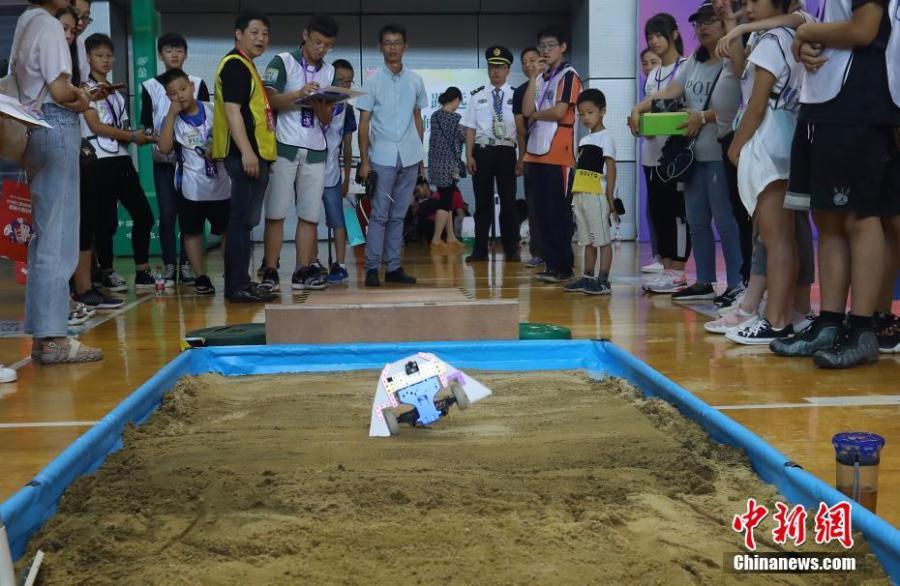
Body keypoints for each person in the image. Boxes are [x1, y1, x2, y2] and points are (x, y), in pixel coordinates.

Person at [770, 0, 900, 367]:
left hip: (858, 103)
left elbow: (864, 29)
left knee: (860, 216)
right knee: (827, 217)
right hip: (823, 102)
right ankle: (829, 322)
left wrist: (807, 31)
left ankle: (861, 329)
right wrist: (806, 39)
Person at [629, 2, 745, 303]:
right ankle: (704, 281)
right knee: (696, 220)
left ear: (724, 22)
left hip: (720, 151)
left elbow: (741, 103)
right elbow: (671, 91)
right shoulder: (695, 59)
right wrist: (639, 107)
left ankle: (737, 283)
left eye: (710, 20)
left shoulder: (733, 59)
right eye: (698, 22)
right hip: (692, 155)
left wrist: (703, 117)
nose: (702, 27)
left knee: (725, 220)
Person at [13, 0, 101, 363]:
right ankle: (53, 339)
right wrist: (84, 98)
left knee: (44, 237)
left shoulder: (25, 21)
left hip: (33, 129)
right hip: (55, 125)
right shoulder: (49, 25)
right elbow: (61, 91)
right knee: (59, 237)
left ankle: (43, 335)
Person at [722, 0, 812, 344]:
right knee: (780, 238)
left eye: (755, 1)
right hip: (785, 141)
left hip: (770, 145)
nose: (748, 7)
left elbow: (757, 104)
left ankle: (776, 321)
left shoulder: (774, 39)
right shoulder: (784, 35)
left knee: (776, 239)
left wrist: (735, 146)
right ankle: (783, 313)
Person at [260, 14, 338, 292]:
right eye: (317, 42)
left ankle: (302, 270)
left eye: (327, 45)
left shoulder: (329, 71)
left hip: (316, 148)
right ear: (305, 35)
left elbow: (327, 119)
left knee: (309, 214)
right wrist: (299, 93)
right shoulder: (283, 61)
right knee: (276, 211)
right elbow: (269, 100)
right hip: (284, 145)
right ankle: (270, 269)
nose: (321, 49)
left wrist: (319, 105)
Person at [79, 33, 158, 295]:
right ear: (88, 57)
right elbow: (95, 126)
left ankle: (142, 270)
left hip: (122, 159)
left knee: (144, 215)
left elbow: (121, 129)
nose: (105, 60)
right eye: (99, 55)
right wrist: (133, 136)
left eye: (109, 56)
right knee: (105, 222)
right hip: (98, 161)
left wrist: (141, 136)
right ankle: (107, 272)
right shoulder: (85, 90)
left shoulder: (117, 95)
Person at [212, 11, 278, 303]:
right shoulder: (236, 65)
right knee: (240, 222)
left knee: (245, 223)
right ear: (238, 34)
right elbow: (232, 111)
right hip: (244, 156)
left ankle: (242, 281)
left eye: (265, 33)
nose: (261, 38)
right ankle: (236, 286)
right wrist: (248, 152)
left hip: (254, 155)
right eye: (254, 32)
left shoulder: (246, 65)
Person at [356, 23, 427, 287]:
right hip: (382, 157)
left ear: (405, 46)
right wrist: (364, 161)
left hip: (409, 156)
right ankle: (372, 268)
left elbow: (417, 119)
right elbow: (364, 123)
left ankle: (394, 267)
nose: (392, 48)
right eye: (387, 43)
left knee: (399, 215)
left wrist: (421, 161)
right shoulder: (372, 82)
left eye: (397, 43)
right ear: (380, 47)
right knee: (379, 215)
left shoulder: (415, 80)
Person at [140, 33, 210, 288]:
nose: (174, 54)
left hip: (193, 162)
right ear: (160, 55)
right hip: (164, 161)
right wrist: (160, 137)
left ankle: (188, 265)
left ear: (186, 54)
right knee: (168, 213)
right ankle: (170, 264)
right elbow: (146, 124)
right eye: (168, 50)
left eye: (179, 50)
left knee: (191, 214)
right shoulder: (150, 86)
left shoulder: (197, 83)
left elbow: (207, 119)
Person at [157, 69, 230, 296]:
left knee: (227, 230)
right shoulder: (172, 120)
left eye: (183, 88)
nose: (180, 95)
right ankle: (201, 277)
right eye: (173, 93)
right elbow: (164, 148)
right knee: (192, 232)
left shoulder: (213, 109)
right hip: (191, 187)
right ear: (168, 97)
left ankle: (231, 273)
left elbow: (230, 137)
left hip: (222, 184)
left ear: (192, 86)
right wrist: (171, 115)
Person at [521, 25, 583, 283]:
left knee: (558, 211)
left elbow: (559, 112)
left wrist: (536, 115)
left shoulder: (569, 75)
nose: (545, 50)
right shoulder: (542, 78)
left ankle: (563, 266)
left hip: (558, 152)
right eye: (542, 46)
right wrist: (533, 77)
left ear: (563, 47)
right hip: (535, 151)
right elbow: (526, 110)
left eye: (550, 45)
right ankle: (550, 262)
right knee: (541, 212)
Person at [635, 14, 691, 286]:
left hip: (677, 156)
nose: (654, 41)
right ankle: (666, 267)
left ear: (675, 34)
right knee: (659, 213)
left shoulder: (686, 67)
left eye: (659, 35)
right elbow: (648, 110)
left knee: (678, 212)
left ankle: (678, 270)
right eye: (650, 37)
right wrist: (639, 123)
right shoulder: (653, 74)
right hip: (650, 154)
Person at [463, 46, 519, 261]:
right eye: (492, 67)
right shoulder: (477, 96)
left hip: (506, 151)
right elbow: (470, 127)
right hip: (483, 151)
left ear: (508, 70)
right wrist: (469, 155)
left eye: (500, 67)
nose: (495, 71)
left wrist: (522, 157)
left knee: (509, 203)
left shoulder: (516, 94)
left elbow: (522, 129)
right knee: (482, 203)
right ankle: (479, 250)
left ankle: (511, 249)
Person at [563, 89, 617, 296]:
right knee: (587, 240)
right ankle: (587, 277)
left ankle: (603, 281)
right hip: (581, 195)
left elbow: (611, 168)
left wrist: (610, 197)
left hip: (596, 195)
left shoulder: (606, 138)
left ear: (602, 111)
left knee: (602, 239)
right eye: (582, 114)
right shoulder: (584, 140)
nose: (586, 117)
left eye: (590, 112)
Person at [321, 59, 358, 284]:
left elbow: (347, 146)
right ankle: (311, 263)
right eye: (340, 80)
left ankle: (341, 264)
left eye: (348, 81)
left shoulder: (348, 109)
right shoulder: (315, 101)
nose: (344, 85)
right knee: (308, 218)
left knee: (337, 218)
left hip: (332, 173)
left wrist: (346, 178)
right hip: (308, 169)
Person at [513, 47, 545, 269]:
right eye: (524, 61)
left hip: (555, 153)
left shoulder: (554, 83)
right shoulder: (520, 91)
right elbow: (521, 129)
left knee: (553, 205)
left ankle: (556, 251)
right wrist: (522, 157)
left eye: (532, 60)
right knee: (533, 205)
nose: (527, 65)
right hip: (532, 154)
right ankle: (538, 252)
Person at [428, 86, 465, 248]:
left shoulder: (434, 116)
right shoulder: (456, 119)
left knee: (447, 199)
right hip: (449, 166)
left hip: (435, 164)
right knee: (445, 201)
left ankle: (450, 236)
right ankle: (436, 238)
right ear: (456, 100)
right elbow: (463, 136)